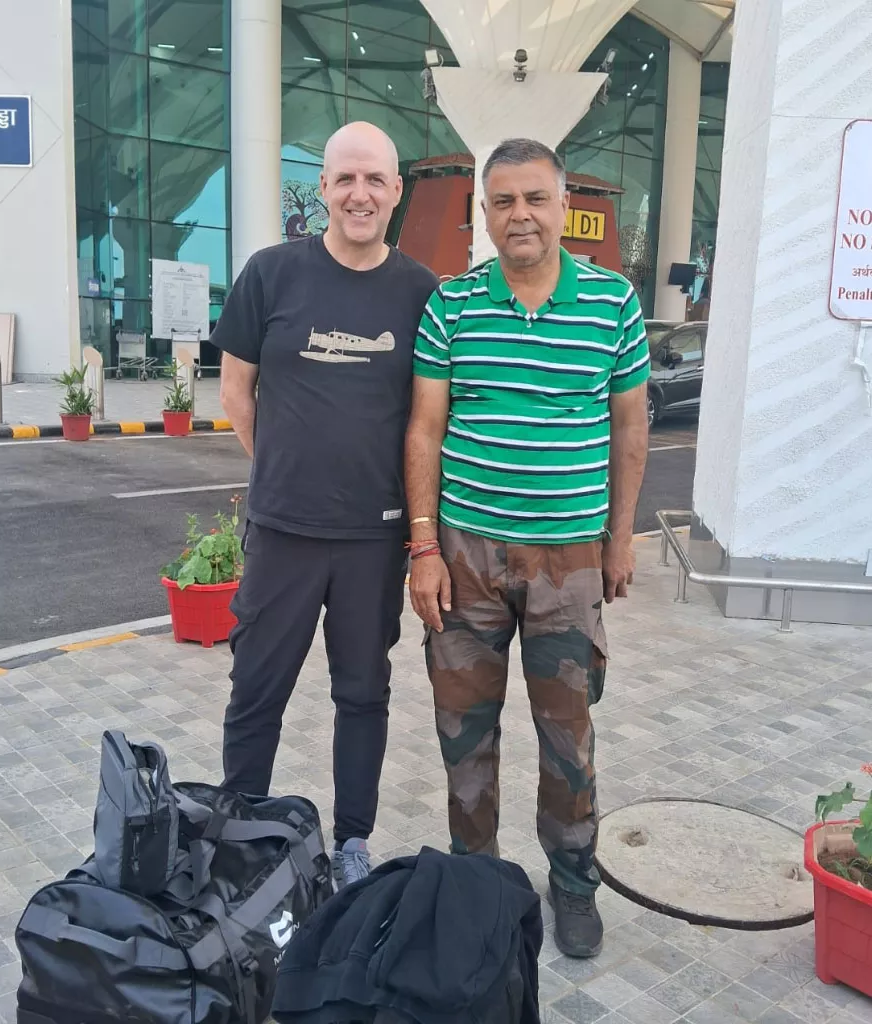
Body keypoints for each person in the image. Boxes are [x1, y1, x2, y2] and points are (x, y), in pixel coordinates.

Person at [404, 138, 649, 957]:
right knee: (463, 730)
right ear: (484, 213)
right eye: (503, 201)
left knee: (567, 734)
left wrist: (619, 539)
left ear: (563, 205)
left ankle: (572, 883)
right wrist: (423, 548)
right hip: (465, 558)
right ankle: (475, 884)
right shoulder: (453, 305)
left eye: (535, 198)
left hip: (569, 561)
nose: (520, 215)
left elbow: (630, 428)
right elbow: (425, 428)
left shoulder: (612, 304)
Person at [211, 121, 439, 888]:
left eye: (374, 179)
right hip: (283, 531)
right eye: (345, 179)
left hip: (374, 540)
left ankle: (352, 842)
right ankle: (238, 834)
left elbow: (427, 418)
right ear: (324, 189)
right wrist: (283, 468)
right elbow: (236, 392)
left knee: (363, 694)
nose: (359, 194)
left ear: (396, 191)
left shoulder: (422, 293)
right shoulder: (270, 274)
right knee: (257, 690)